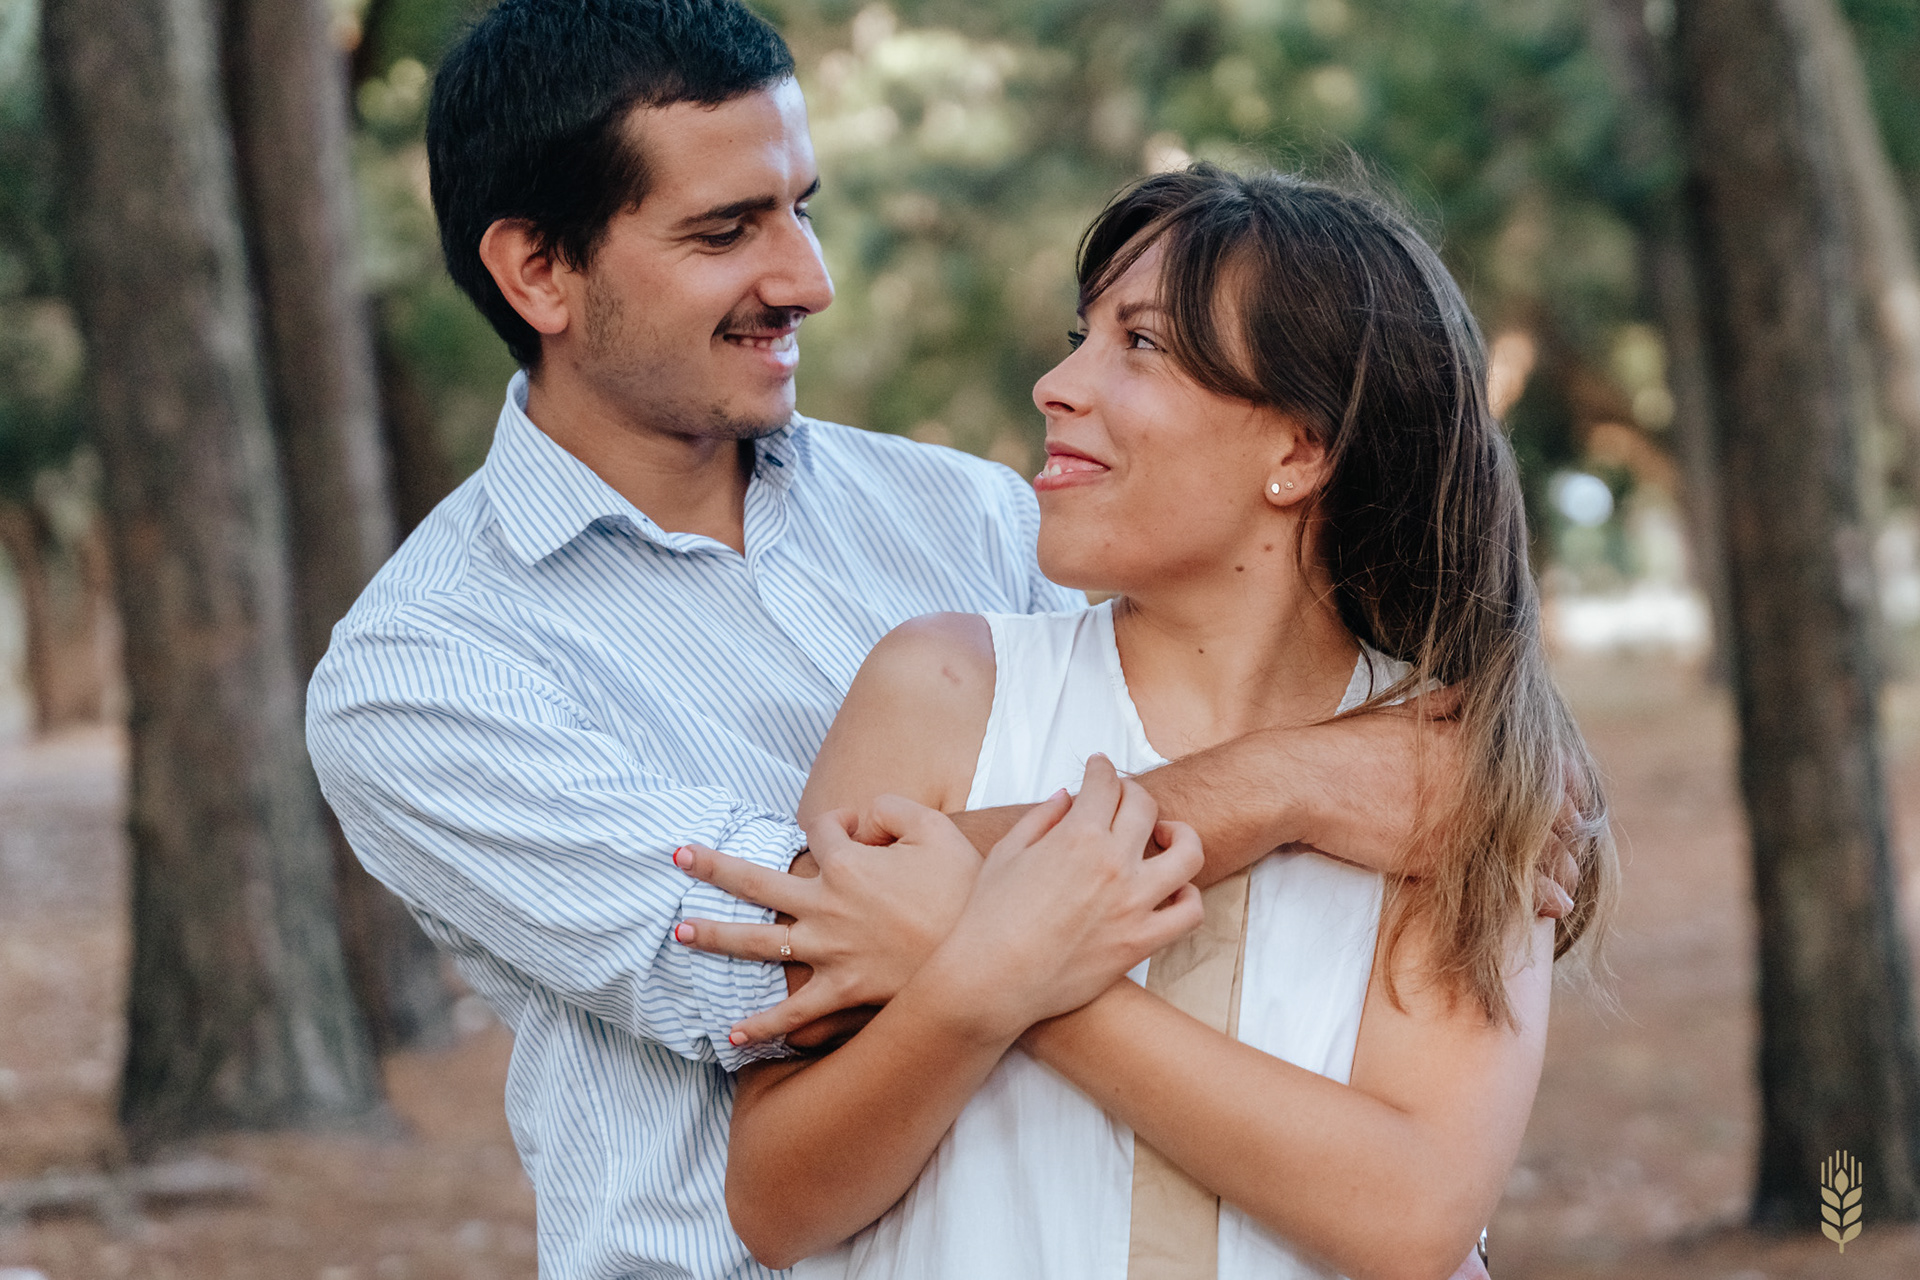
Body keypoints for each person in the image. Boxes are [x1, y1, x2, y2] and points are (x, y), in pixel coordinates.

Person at [307, 3, 1573, 1277]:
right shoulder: (420, 675)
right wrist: (1289, 785)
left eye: (800, 205)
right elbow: (782, 949)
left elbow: (1225, 655)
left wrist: (1487, 789)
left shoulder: (966, 510)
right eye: (726, 230)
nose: (808, 277)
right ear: (539, 271)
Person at [674, 166, 1614, 1280]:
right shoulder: (941, 690)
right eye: (1083, 335)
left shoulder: (1438, 769)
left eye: (1142, 345)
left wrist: (996, 963)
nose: (1055, 383)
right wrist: (1002, 960)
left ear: (1300, 449)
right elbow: (777, 1203)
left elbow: (1408, 1213)